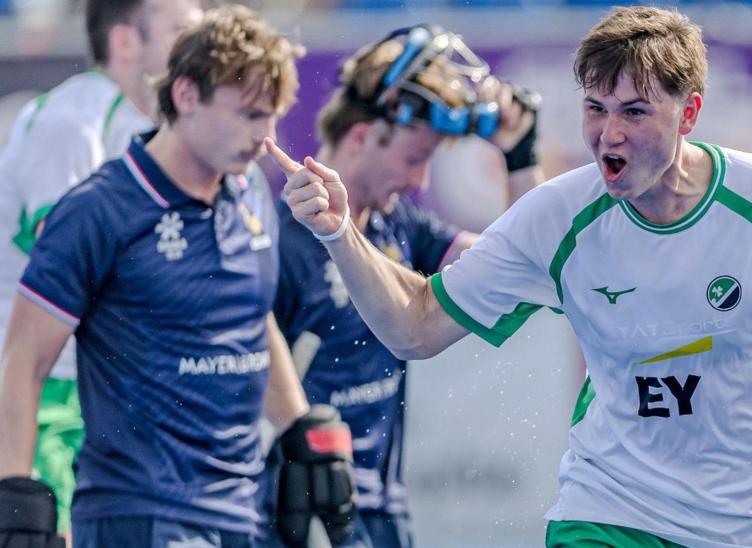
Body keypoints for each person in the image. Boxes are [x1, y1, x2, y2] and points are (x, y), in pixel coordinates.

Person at [267, 6, 752, 548]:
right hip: (609, 513)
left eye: (634, 112)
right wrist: (339, 232)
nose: (609, 135)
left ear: (689, 114)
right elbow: (414, 329)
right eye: (595, 110)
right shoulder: (558, 215)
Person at [0, 6, 353, 547]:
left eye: (273, 116)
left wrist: (298, 428)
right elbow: (24, 357)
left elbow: (252, 319)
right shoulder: (97, 204)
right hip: (139, 510)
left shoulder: (251, 190)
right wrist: (16, 491)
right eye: (249, 115)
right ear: (187, 97)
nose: (265, 137)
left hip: (240, 509)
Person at [272, 24, 543, 548]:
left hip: (382, 513)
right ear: (362, 136)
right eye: (415, 159)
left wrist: (519, 156)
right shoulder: (281, 238)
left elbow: (523, 271)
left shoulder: (401, 227)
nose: (421, 182)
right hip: (297, 509)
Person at [0, 0, 202, 533]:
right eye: (183, 30)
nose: (202, 44)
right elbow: (69, 270)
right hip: (49, 392)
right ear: (125, 42)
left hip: (112, 390)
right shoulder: (70, 122)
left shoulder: (154, 128)